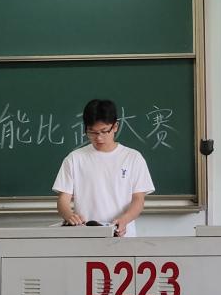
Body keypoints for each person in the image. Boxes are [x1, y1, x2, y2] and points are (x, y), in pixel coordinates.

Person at [54, 98, 155, 237]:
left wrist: (125, 220)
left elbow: (138, 199)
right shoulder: (74, 159)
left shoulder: (133, 158)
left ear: (115, 126)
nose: (99, 138)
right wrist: (69, 216)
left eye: (104, 131)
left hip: (123, 236)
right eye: (92, 132)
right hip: (85, 236)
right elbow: (63, 199)